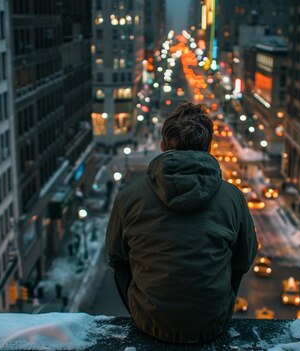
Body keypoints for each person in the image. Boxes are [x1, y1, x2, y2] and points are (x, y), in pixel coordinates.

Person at [106, 101, 257, 343]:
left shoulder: (129, 197)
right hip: (212, 324)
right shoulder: (233, 197)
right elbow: (245, 258)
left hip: (149, 323)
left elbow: (116, 257)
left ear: (163, 144)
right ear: (208, 147)